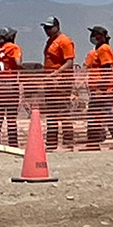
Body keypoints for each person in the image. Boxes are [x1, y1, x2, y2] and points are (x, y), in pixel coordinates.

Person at [83, 26, 113, 150]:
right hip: (99, 89)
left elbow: (106, 69)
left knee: (103, 114)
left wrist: (101, 89)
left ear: (101, 36)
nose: (93, 37)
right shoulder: (99, 49)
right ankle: (94, 142)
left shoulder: (104, 49)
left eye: (95, 34)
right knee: (97, 114)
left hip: (103, 90)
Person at [41, 16, 76, 150]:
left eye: (49, 27)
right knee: (51, 113)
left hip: (61, 83)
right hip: (50, 83)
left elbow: (69, 62)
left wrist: (55, 74)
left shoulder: (64, 41)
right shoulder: (50, 41)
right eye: (45, 28)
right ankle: (51, 143)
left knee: (63, 112)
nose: (47, 30)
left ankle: (68, 142)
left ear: (57, 27)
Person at [0, 28, 22, 147]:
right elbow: (18, 63)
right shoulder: (13, 48)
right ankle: (13, 144)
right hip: (10, 85)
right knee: (11, 118)